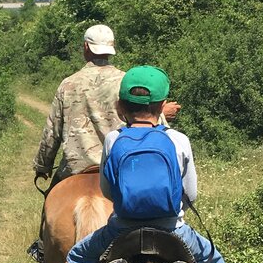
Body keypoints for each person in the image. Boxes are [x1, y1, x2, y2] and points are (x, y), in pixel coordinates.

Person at [34, 65, 248, 263]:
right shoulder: (178, 140)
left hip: (122, 227)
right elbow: (191, 193)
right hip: (173, 229)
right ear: (162, 107)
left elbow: (108, 191)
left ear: (121, 107)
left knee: (74, 259)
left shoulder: (113, 140)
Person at [33, 24, 180, 183]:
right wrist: (162, 114)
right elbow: (148, 121)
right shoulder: (127, 83)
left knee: (52, 202)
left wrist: (43, 166)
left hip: (75, 171)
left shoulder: (68, 84)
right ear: (112, 47)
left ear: (86, 47)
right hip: (119, 168)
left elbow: (52, 131)